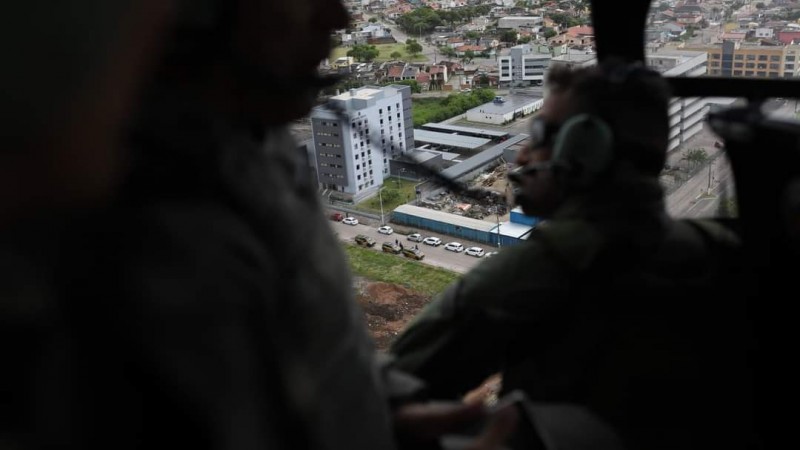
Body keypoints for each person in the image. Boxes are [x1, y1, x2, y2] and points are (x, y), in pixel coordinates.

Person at [3, 0, 518, 449]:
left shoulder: (259, 146)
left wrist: (383, 405)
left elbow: (310, 341)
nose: (337, 17)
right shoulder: (115, 233)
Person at [389, 61, 755, 450]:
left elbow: (389, 390)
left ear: (585, 146)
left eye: (540, 135)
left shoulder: (546, 266)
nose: (522, 156)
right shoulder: (722, 247)